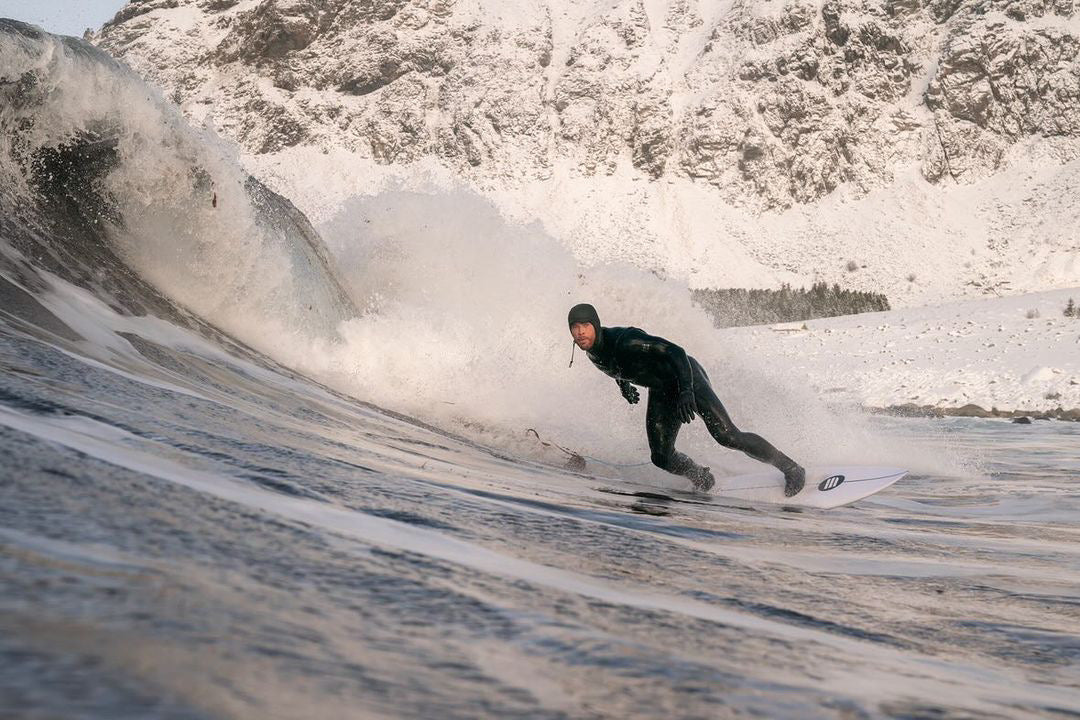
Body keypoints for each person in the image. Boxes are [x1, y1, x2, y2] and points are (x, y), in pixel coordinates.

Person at [567, 303, 805, 495]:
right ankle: (702, 477)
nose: (580, 332)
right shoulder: (592, 351)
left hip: (686, 376)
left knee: (726, 435)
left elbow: (675, 352)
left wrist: (686, 391)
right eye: (574, 327)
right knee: (661, 456)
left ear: (596, 325)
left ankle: (791, 468)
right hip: (661, 389)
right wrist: (624, 385)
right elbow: (616, 366)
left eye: (585, 325)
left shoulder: (627, 340)